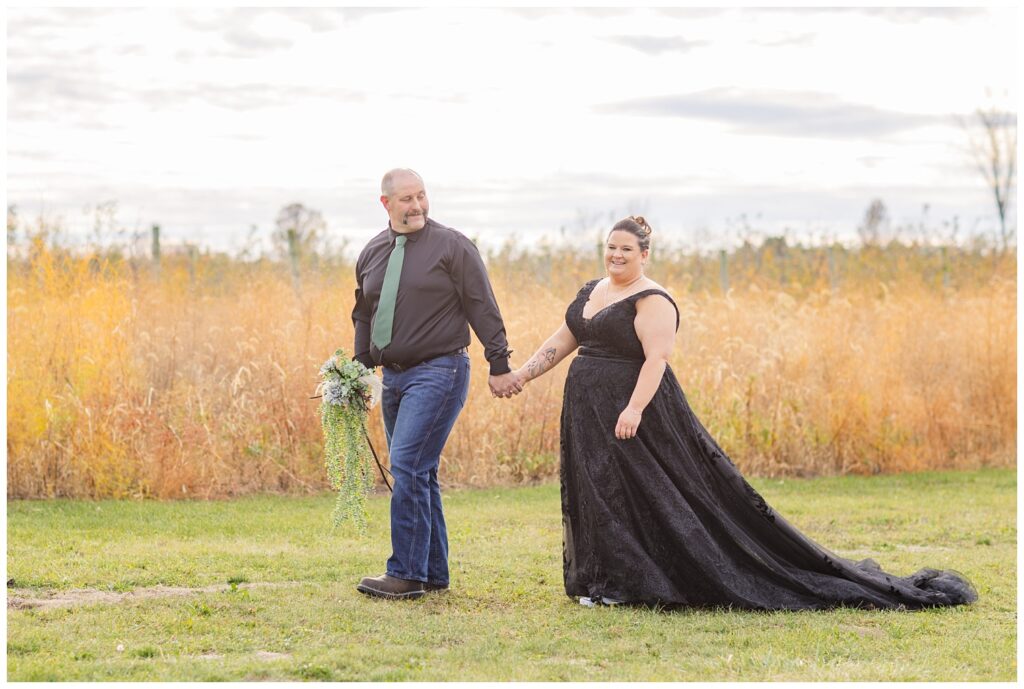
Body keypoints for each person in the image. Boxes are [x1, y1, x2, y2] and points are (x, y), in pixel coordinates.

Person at [510, 215, 977, 610]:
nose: (616, 255)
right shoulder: (592, 291)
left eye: (626, 249)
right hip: (586, 407)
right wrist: (522, 375)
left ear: (644, 254)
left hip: (638, 409)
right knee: (596, 487)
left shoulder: (651, 299)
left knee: (648, 494)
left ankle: (636, 582)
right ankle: (602, 579)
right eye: (610, 247)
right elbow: (563, 340)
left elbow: (657, 360)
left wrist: (634, 408)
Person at [351, 168, 522, 600]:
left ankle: (405, 573)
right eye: (406, 199)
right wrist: (359, 367)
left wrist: (498, 363)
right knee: (419, 472)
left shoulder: (453, 246)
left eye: (421, 196)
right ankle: (432, 571)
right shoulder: (372, 252)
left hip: (440, 370)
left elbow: (482, 304)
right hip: (393, 378)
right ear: (386, 203)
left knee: (407, 463)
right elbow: (364, 313)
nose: (417, 206)